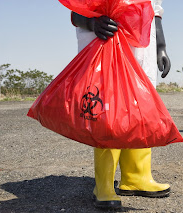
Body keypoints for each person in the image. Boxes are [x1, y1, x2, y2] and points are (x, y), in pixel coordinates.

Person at [71, 0, 171, 210]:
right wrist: (92, 23)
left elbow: (155, 12)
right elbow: (75, 11)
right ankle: (104, 184)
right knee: (109, 111)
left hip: (143, 46)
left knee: (140, 108)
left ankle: (136, 176)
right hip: (106, 41)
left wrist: (161, 46)